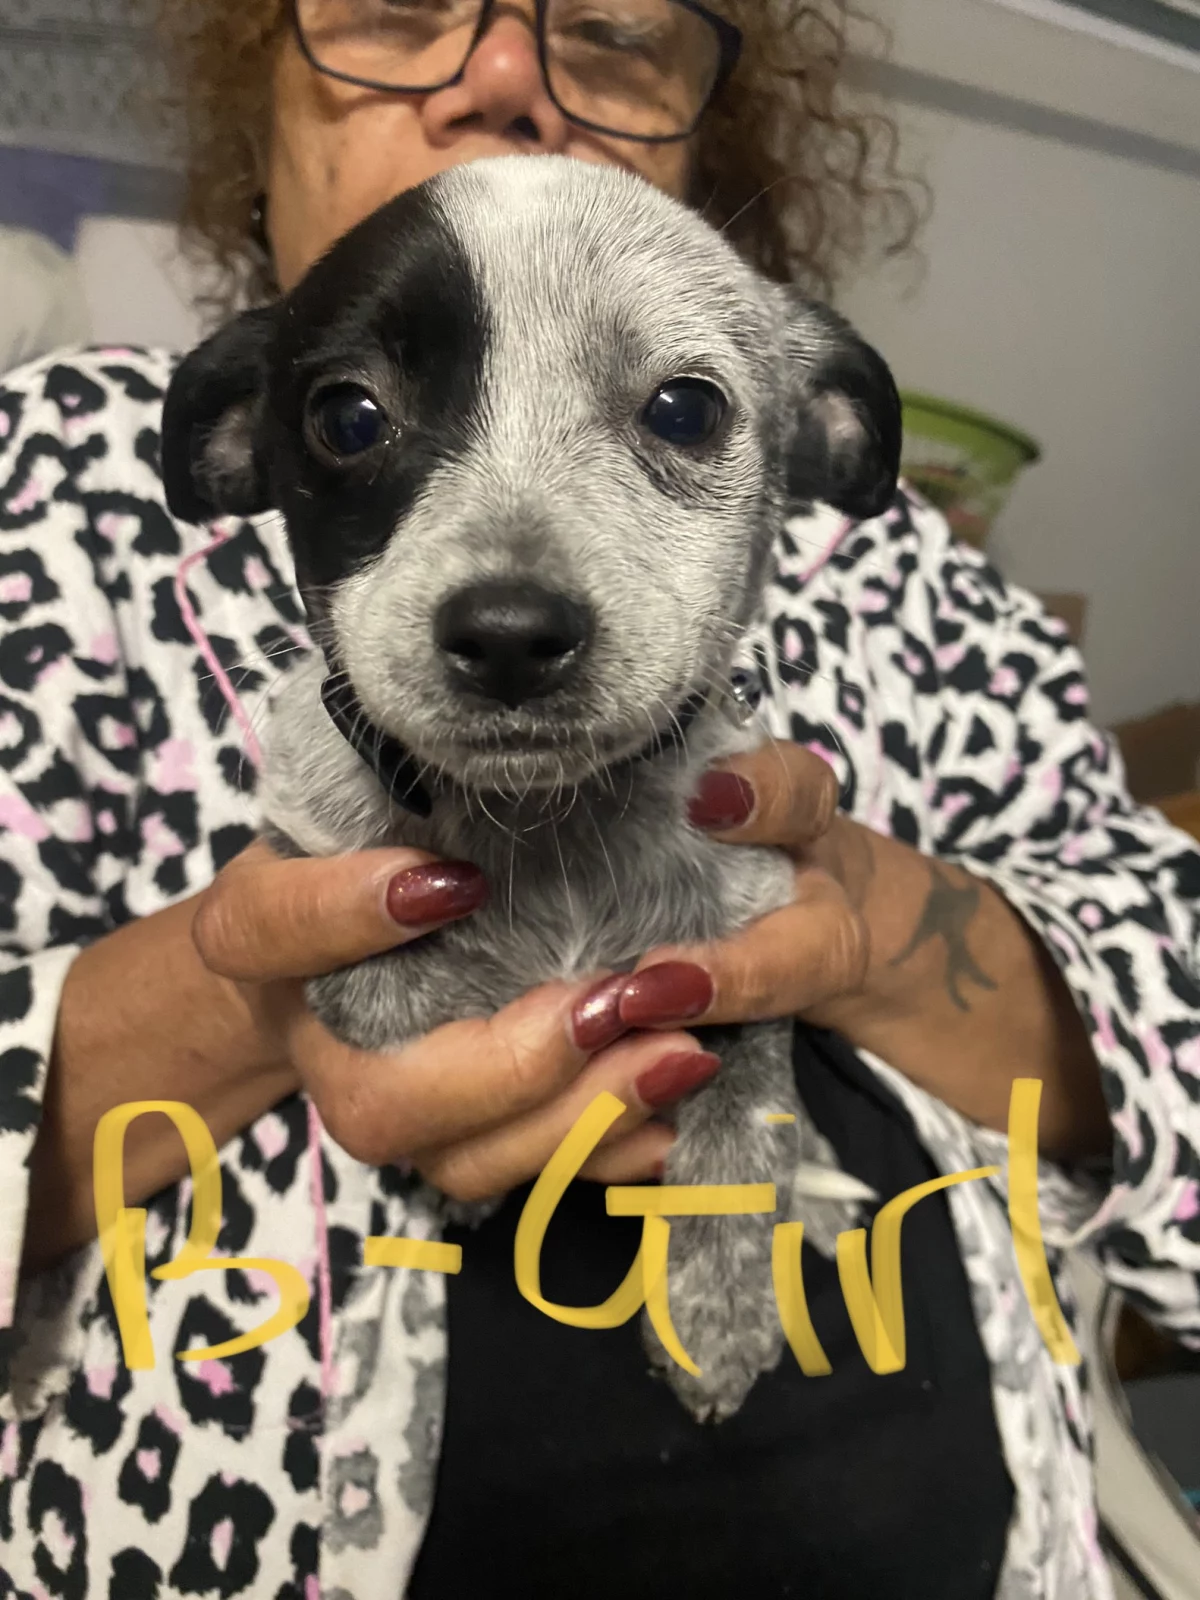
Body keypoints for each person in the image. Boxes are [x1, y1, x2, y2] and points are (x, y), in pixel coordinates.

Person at [0, 2, 1197, 1595]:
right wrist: (245, 995)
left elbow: (1169, 965)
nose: (506, 76)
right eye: (394, 12)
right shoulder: (47, 485)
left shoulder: (912, 565)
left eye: (615, 33)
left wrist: (874, 925)